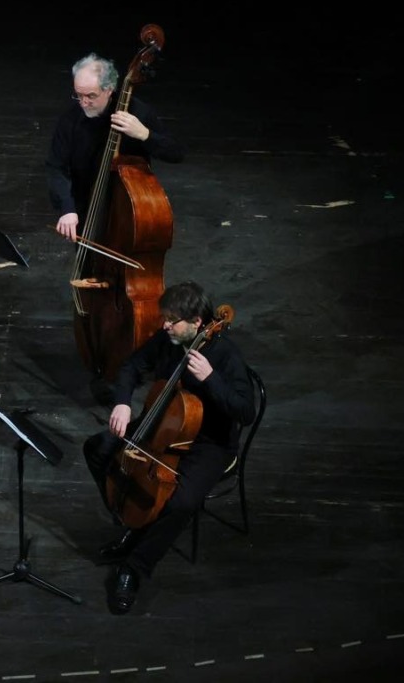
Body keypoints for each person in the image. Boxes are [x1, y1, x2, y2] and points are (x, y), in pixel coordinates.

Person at [82, 281, 256, 615]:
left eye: (172, 320)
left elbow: (244, 411)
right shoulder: (170, 339)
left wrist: (211, 379)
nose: (164, 325)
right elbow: (132, 366)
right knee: (98, 448)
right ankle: (135, 524)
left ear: (198, 322)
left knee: (181, 502)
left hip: (209, 444)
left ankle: (133, 567)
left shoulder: (226, 356)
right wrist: (122, 404)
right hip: (160, 426)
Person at [46, 52, 184, 243]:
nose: (83, 102)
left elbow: (176, 153)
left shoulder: (137, 112)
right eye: (78, 95)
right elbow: (56, 166)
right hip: (87, 210)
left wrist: (144, 134)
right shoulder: (71, 119)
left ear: (109, 89)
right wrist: (67, 208)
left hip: (129, 213)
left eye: (91, 96)